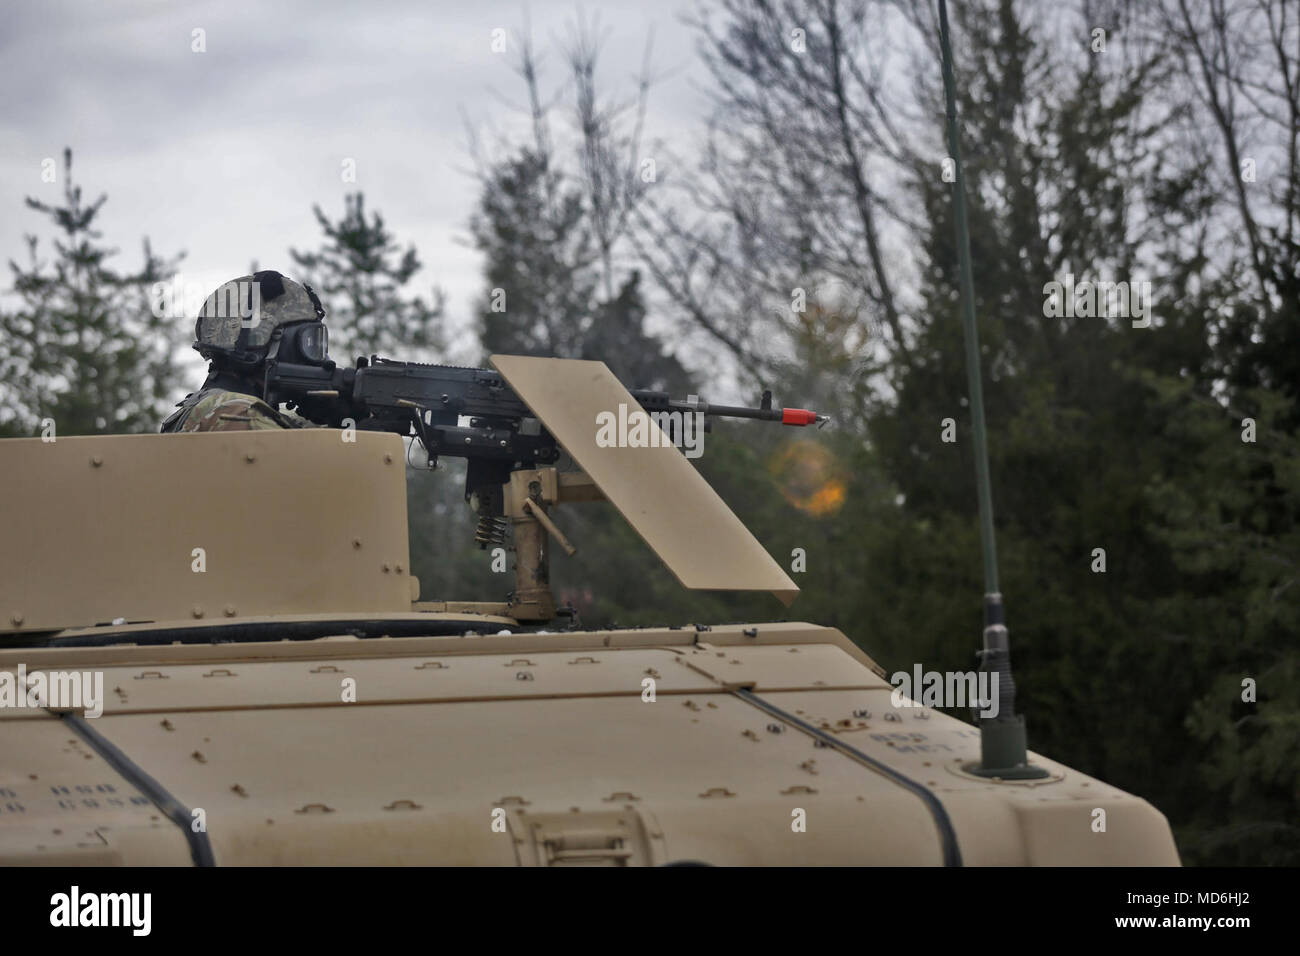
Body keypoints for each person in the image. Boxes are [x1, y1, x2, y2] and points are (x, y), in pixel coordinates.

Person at [161, 271, 329, 433]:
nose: (321, 360)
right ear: (256, 345)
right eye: (307, 344)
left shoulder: (211, 406)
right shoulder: (235, 413)